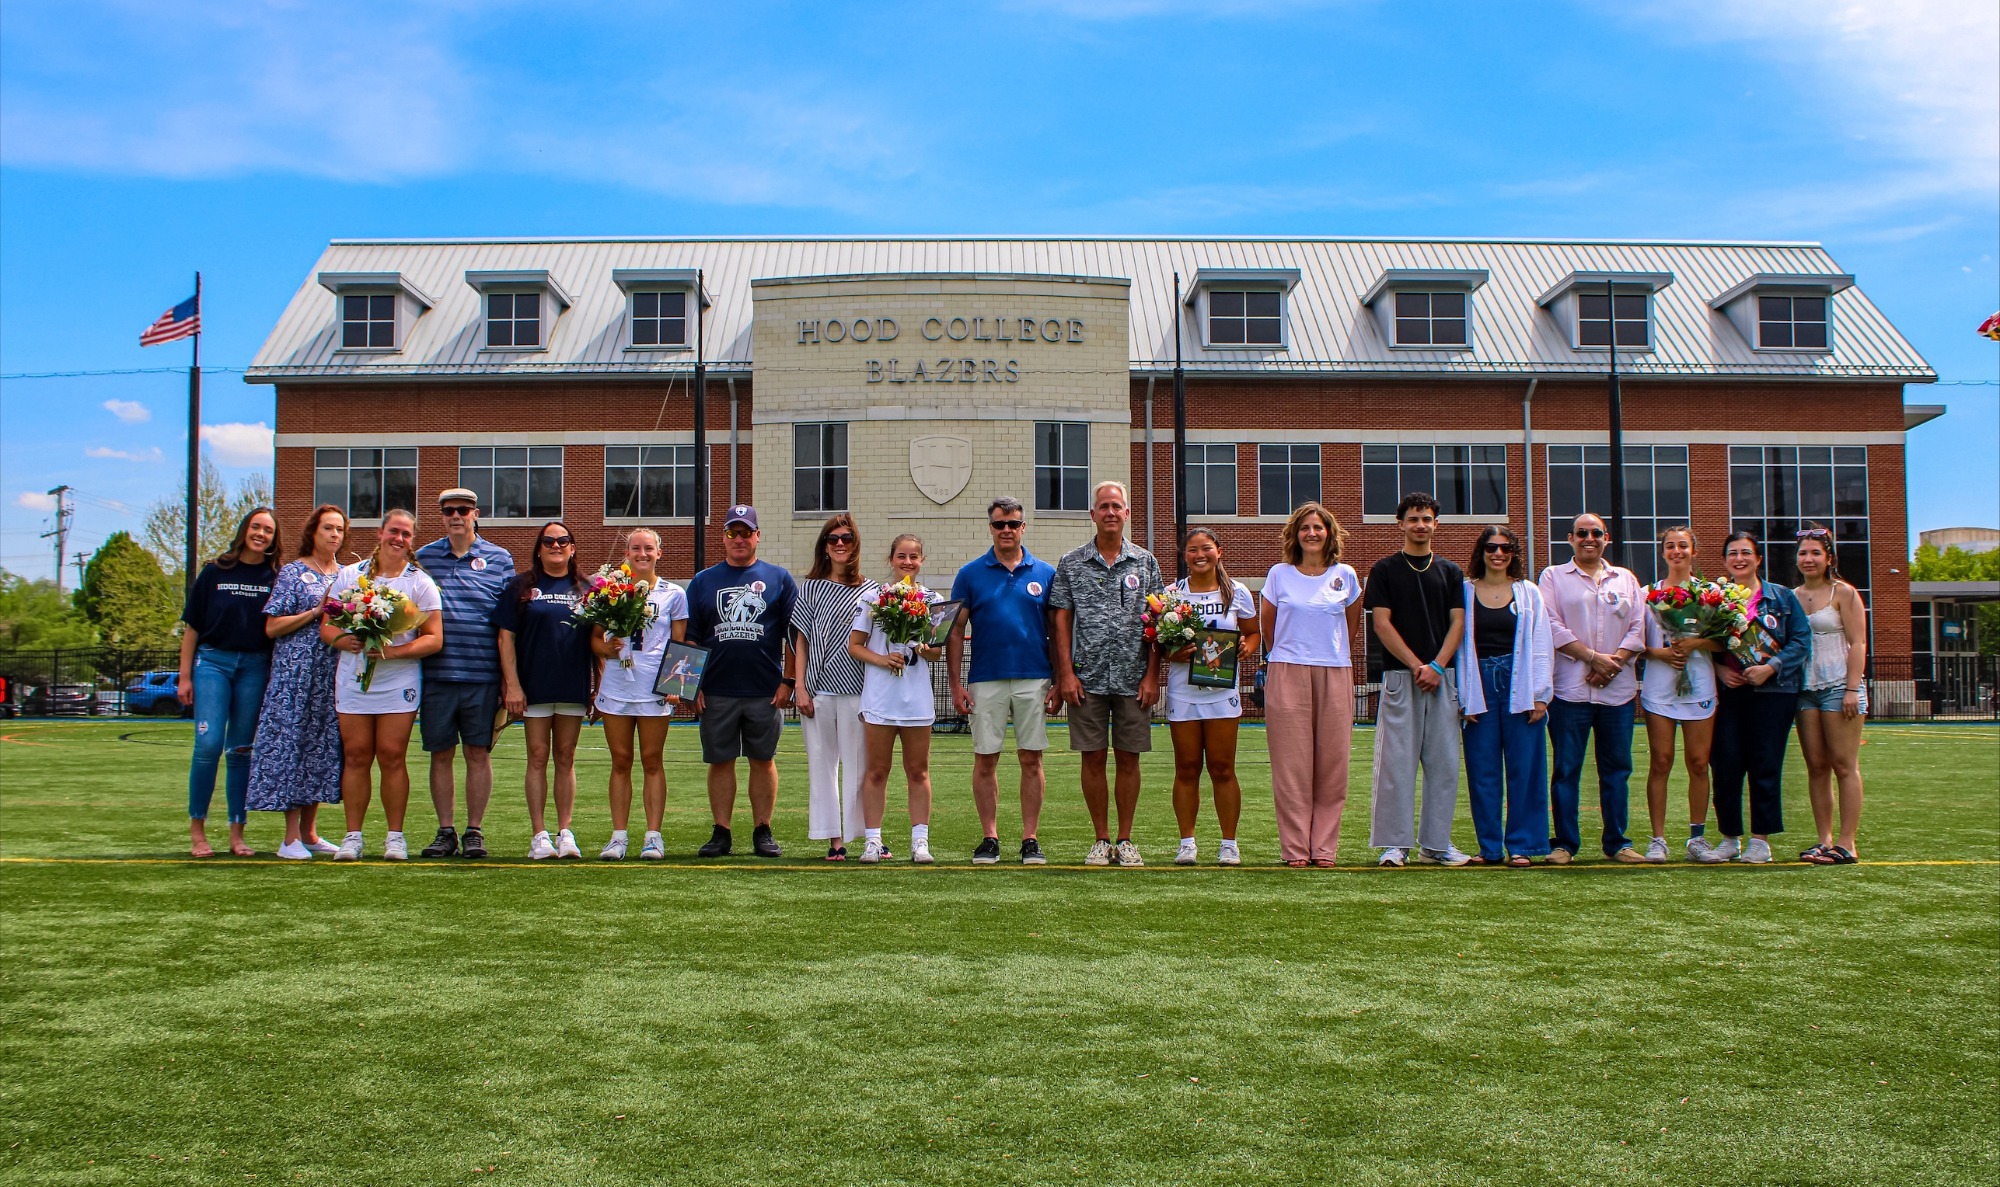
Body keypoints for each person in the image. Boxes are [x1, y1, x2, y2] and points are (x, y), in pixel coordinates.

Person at [1049, 480, 1164, 866]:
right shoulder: (1071, 563)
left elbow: (1159, 622)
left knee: (1129, 759)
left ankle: (1125, 840)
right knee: (1093, 759)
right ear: (1093, 514)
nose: (1111, 512)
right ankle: (1101, 839)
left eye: (1117, 506)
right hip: (1088, 678)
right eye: (1104, 506)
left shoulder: (1146, 562)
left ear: (1127, 513)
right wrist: (1065, 675)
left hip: (1134, 679)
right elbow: (1061, 622)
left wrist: (1153, 676)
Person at [321, 509, 443, 861]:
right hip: (354, 678)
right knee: (357, 755)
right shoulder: (350, 575)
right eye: (393, 531)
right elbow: (327, 626)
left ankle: (395, 837)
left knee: (392, 755)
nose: (399, 539)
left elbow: (433, 638)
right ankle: (352, 837)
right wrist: (344, 640)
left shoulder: (419, 581)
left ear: (412, 540)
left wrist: (393, 652)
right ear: (380, 533)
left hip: (398, 680)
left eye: (406, 534)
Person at [948, 496, 1058, 866]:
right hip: (985, 679)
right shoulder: (970, 574)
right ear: (990, 527)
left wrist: (1059, 680)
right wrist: (956, 685)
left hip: (1034, 677)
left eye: (1013, 524)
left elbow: (1057, 631)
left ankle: (1030, 839)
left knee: (1031, 759)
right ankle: (990, 838)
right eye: (999, 524)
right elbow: (955, 631)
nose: (1006, 530)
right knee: (985, 760)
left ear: (1023, 527)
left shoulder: (1045, 573)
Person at [1364, 493, 1470, 867]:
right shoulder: (1384, 570)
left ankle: (1436, 845)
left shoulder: (1451, 572)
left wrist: (1437, 667)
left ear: (1435, 524)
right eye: (1413, 519)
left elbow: (1458, 623)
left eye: (1426, 519)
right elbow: (1381, 624)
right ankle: (1395, 845)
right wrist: (1416, 666)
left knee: (1444, 766)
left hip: (1443, 679)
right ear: (1401, 524)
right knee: (1396, 766)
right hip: (1400, 677)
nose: (1420, 525)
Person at [686, 505, 797, 858]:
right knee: (720, 761)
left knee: (763, 759)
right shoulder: (703, 581)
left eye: (746, 532)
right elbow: (691, 637)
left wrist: (789, 681)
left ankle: (763, 829)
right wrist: (691, 685)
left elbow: (794, 635)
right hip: (716, 689)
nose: (739, 539)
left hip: (764, 689)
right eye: (732, 532)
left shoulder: (779, 578)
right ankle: (721, 831)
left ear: (757, 536)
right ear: (723, 537)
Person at [1538, 513, 1648, 865]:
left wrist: (1612, 664)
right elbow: (1551, 625)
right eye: (1582, 533)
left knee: (1617, 770)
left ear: (1606, 538)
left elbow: (1638, 628)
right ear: (1570, 538)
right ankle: (1564, 844)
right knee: (1566, 769)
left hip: (1617, 692)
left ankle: (1617, 842)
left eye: (1596, 533)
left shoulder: (1626, 579)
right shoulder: (1553, 577)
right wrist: (1592, 658)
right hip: (1570, 691)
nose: (1589, 538)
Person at [413, 489, 516, 859]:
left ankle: (474, 831)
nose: (456, 516)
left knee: (477, 754)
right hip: (437, 675)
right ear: (441, 516)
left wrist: (508, 679)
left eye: (463, 510)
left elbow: (509, 624)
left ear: (476, 513)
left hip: (483, 675)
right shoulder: (423, 558)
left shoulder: (500, 558)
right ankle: (445, 831)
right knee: (440, 754)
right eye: (449, 511)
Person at [1257, 504, 1360, 868]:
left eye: (1318, 527)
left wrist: (1328, 653)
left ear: (1329, 533)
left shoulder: (1345, 575)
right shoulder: (1279, 574)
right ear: (1295, 534)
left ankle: (1324, 849)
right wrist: (1288, 654)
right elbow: (1268, 629)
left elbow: (1350, 627)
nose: (1312, 533)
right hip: (1287, 672)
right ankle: (1296, 849)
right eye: (1305, 528)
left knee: (1333, 766)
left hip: (1334, 671)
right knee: (1292, 768)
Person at [178, 507, 281, 857]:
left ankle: (237, 833)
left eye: (268, 530)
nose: (261, 534)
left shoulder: (274, 576)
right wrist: (185, 677)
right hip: (213, 663)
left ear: (273, 538)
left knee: (240, 750)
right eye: (256, 527)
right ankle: (198, 832)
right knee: (208, 746)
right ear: (244, 530)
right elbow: (192, 628)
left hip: (254, 667)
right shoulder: (214, 571)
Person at [249, 504, 349, 860]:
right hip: (295, 675)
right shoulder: (294, 572)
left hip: (330, 674)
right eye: (327, 528)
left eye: (339, 529)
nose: (334, 535)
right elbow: (272, 626)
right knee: (293, 746)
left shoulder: (347, 575)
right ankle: (289, 838)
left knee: (320, 748)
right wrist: (314, 612)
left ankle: (309, 832)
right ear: (313, 532)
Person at [494, 521, 596, 860]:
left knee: (566, 758)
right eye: (548, 541)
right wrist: (512, 685)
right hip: (533, 686)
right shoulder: (521, 585)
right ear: (538, 548)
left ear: (572, 547)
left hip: (572, 684)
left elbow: (597, 641)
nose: (556, 546)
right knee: (537, 756)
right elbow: (505, 638)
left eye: (563, 540)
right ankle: (539, 835)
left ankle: (565, 832)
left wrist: (597, 688)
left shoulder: (587, 588)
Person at [1708, 531, 1810, 864]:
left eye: (1745, 553)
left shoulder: (1781, 598)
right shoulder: (1715, 599)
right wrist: (1719, 671)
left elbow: (1801, 641)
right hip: (1730, 693)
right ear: (1725, 561)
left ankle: (1760, 841)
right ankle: (1729, 838)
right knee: (1725, 764)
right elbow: (1704, 644)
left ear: (1758, 559)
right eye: (1733, 553)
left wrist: (1771, 668)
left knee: (1765, 763)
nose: (1739, 559)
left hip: (1773, 693)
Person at [1456, 525, 1553, 867]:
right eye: (1491, 547)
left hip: (1520, 683)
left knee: (1525, 768)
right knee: (1482, 770)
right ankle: (1490, 848)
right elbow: (1458, 646)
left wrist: (1540, 695)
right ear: (1480, 551)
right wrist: (1464, 697)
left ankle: (1523, 845)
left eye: (1505, 548)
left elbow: (1541, 643)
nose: (1498, 554)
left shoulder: (1528, 592)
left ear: (1514, 554)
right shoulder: (1464, 591)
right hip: (1478, 684)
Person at [590, 529, 690, 861]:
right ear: (627, 553)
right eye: (635, 548)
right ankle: (618, 836)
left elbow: (679, 644)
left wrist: (675, 688)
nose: (642, 553)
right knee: (620, 761)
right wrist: (606, 648)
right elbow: (595, 640)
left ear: (659, 553)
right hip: (617, 685)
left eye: (648, 548)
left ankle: (653, 836)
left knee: (652, 760)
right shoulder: (609, 589)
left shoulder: (673, 593)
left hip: (652, 687)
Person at [1162, 527, 1259, 866]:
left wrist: (1247, 648)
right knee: (1187, 768)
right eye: (1192, 549)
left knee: (1222, 768)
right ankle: (1186, 842)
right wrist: (1172, 653)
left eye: (1206, 548)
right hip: (1183, 691)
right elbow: (1159, 645)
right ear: (1184, 555)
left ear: (1219, 551)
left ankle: (1229, 844)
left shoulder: (1238, 592)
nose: (1199, 555)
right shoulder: (1172, 594)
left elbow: (1253, 633)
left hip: (1222, 692)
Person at [848, 534, 944, 863]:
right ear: (891, 559)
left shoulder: (932, 599)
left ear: (922, 560)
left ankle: (920, 842)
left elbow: (935, 653)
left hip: (916, 699)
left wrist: (924, 648)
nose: (907, 562)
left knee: (918, 772)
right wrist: (883, 659)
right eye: (901, 556)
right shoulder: (874, 598)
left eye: (913, 557)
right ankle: (873, 841)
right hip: (880, 697)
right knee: (877, 771)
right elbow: (855, 646)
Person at [1639, 527, 1724, 864]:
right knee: (1661, 761)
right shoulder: (1648, 593)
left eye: (1683, 546)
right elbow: (1634, 644)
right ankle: (1658, 840)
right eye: (1670, 546)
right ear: (1663, 552)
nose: (1677, 551)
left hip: (1699, 685)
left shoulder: (1711, 593)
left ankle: (1697, 838)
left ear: (1694, 551)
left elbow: (1725, 642)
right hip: (1659, 688)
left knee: (1699, 763)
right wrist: (1660, 654)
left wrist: (1694, 643)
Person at [790, 515, 871, 861]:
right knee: (822, 765)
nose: (840, 544)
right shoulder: (809, 588)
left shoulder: (871, 591)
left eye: (846, 538)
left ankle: (866, 836)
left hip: (859, 689)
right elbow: (801, 641)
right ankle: (834, 838)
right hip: (818, 691)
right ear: (824, 546)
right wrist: (800, 687)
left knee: (860, 766)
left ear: (855, 544)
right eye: (833, 538)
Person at [1792, 524, 1868, 864]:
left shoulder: (1844, 593)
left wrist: (1852, 688)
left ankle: (1847, 843)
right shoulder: (1792, 596)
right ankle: (1823, 840)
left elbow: (1858, 643)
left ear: (1829, 558)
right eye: (1803, 553)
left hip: (1839, 686)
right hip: (1805, 689)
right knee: (1817, 766)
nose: (1808, 559)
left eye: (1815, 553)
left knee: (1844, 764)